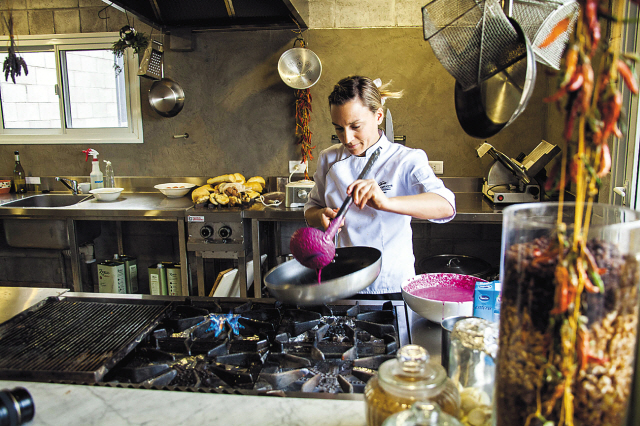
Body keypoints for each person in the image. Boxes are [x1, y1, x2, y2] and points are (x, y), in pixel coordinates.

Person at [304, 75, 456, 298]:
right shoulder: (328, 159)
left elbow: (446, 205)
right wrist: (321, 216)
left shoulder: (406, 159)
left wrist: (386, 202)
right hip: (341, 279)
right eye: (339, 128)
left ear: (378, 116)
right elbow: (311, 210)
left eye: (355, 126)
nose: (347, 138)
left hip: (390, 282)